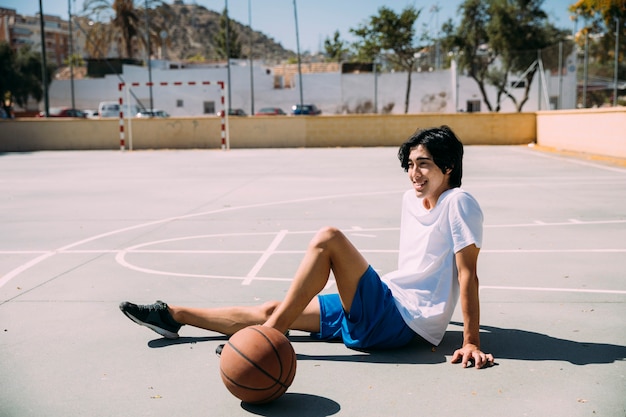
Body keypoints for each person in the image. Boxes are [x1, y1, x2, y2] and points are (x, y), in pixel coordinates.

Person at [120, 125, 495, 369]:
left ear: (448, 168)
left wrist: (472, 340)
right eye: (411, 164)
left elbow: (467, 274)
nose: (414, 172)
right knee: (275, 307)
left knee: (329, 238)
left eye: (424, 164)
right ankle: (174, 316)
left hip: (401, 321)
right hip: (390, 302)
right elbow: (427, 268)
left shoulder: (458, 201)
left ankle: (271, 335)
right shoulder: (410, 199)